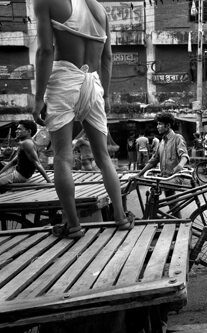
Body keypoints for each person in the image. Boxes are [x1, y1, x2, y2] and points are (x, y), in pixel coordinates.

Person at [32, 0, 134, 238]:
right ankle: (120, 217)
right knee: (103, 157)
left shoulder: (45, 2)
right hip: (94, 81)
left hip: (64, 78)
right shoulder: (99, 9)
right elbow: (107, 58)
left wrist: (38, 98)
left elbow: (45, 51)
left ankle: (73, 225)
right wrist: (105, 95)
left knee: (63, 157)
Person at [135, 112, 189, 218]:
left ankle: (156, 217)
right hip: (165, 178)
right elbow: (153, 160)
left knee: (157, 192)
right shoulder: (162, 142)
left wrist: (180, 165)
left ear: (167, 125)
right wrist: (139, 174)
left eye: (160, 124)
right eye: (157, 124)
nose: (157, 126)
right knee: (171, 202)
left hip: (175, 177)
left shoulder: (177, 138)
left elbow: (184, 155)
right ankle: (175, 221)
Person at [0, 120, 51, 188]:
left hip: (20, 176)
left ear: (28, 131)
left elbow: (36, 163)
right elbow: (13, 162)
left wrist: (48, 181)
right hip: (17, 172)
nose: (16, 131)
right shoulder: (25, 143)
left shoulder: (27, 143)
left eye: (19, 129)